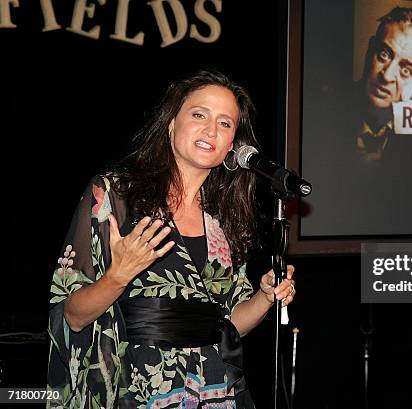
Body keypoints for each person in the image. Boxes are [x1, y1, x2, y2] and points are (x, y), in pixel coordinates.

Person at [47, 70, 296, 408]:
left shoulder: (225, 217)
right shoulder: (113, 196)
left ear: (233, 147)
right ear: (170, 124)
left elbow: (229, 324)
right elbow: (71, 316)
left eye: (225, 124)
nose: (211, 130)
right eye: (199, 115)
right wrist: (118, 276)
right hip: (137, 389)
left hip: (214, 391)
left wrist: (265, 298)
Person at [356, 7, 412, 164]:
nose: (386, 76)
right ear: (370, 50)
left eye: (406, 70)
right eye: (384, 55)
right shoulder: (325, 107)